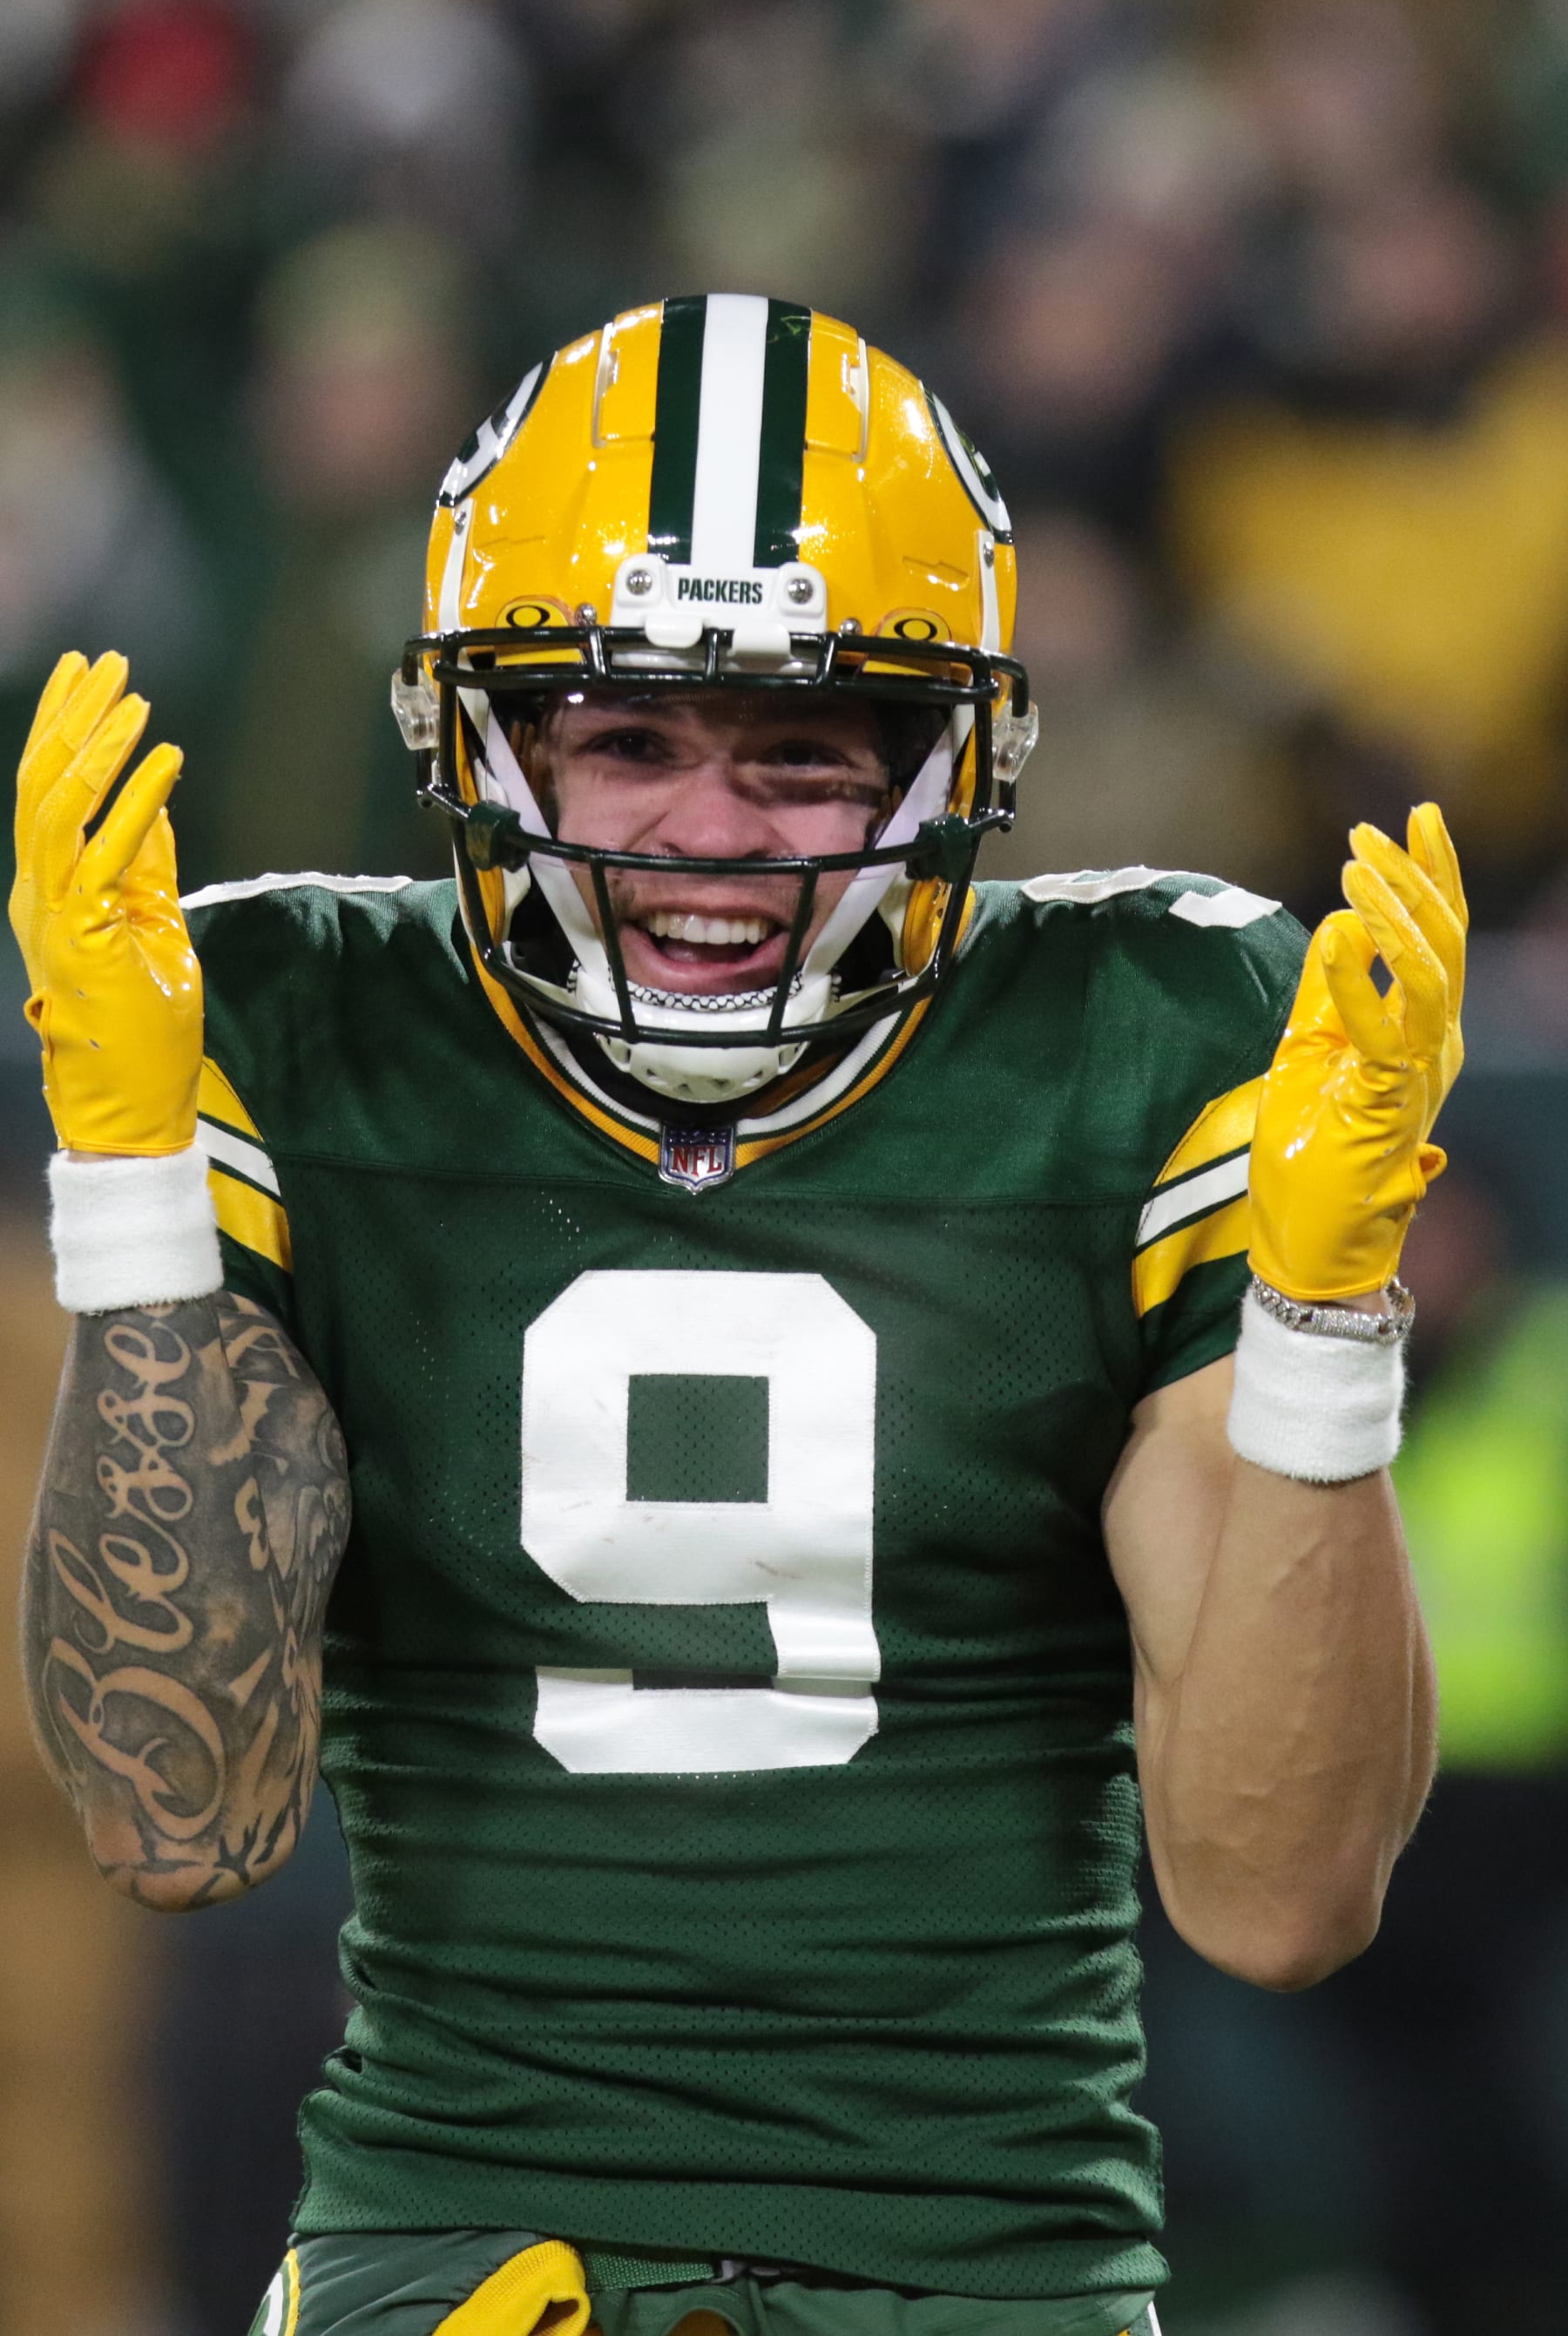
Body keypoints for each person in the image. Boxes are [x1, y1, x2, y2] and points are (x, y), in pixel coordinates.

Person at [10, 295, 1463, 2336]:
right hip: (457, 2251)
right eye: (628, 741)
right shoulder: (295, 1027)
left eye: (803, 748)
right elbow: (178, 1820)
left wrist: (1324, 1322)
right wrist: (140, 1200)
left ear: (955, 761)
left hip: (988, 2267)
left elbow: (1282, 1897)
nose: (711, 833)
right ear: (486, 743)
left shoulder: (1143, 1042)